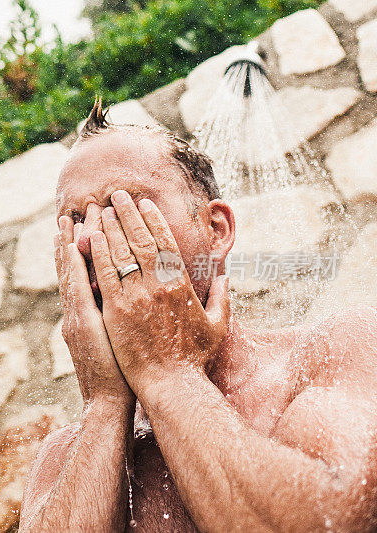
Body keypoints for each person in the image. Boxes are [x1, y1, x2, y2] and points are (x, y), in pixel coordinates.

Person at [19, 99, 377, 532]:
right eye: (74, 219)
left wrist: (170, 374)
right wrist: (106, 405)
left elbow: (338, 521)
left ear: (217, 230)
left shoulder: (336, 351)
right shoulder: (62, 460)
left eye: (123, 207)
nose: (90, 239)